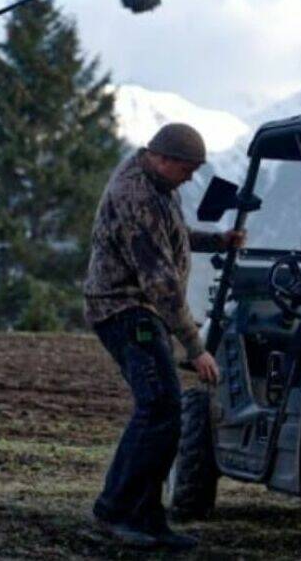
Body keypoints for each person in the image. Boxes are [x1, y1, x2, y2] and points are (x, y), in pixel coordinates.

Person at [82, 122, 246, 551]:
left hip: (139, 307)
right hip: (123, 308)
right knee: (159, 407)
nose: (190, 179)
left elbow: (172, 236)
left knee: (163, 410)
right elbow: (161, 282)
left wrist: (218, 240)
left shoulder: (158, 185)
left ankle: (148, 517)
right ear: (165, 158)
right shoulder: (135, 195)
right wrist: (197, 347)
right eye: (187, 170)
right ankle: (115, 510)